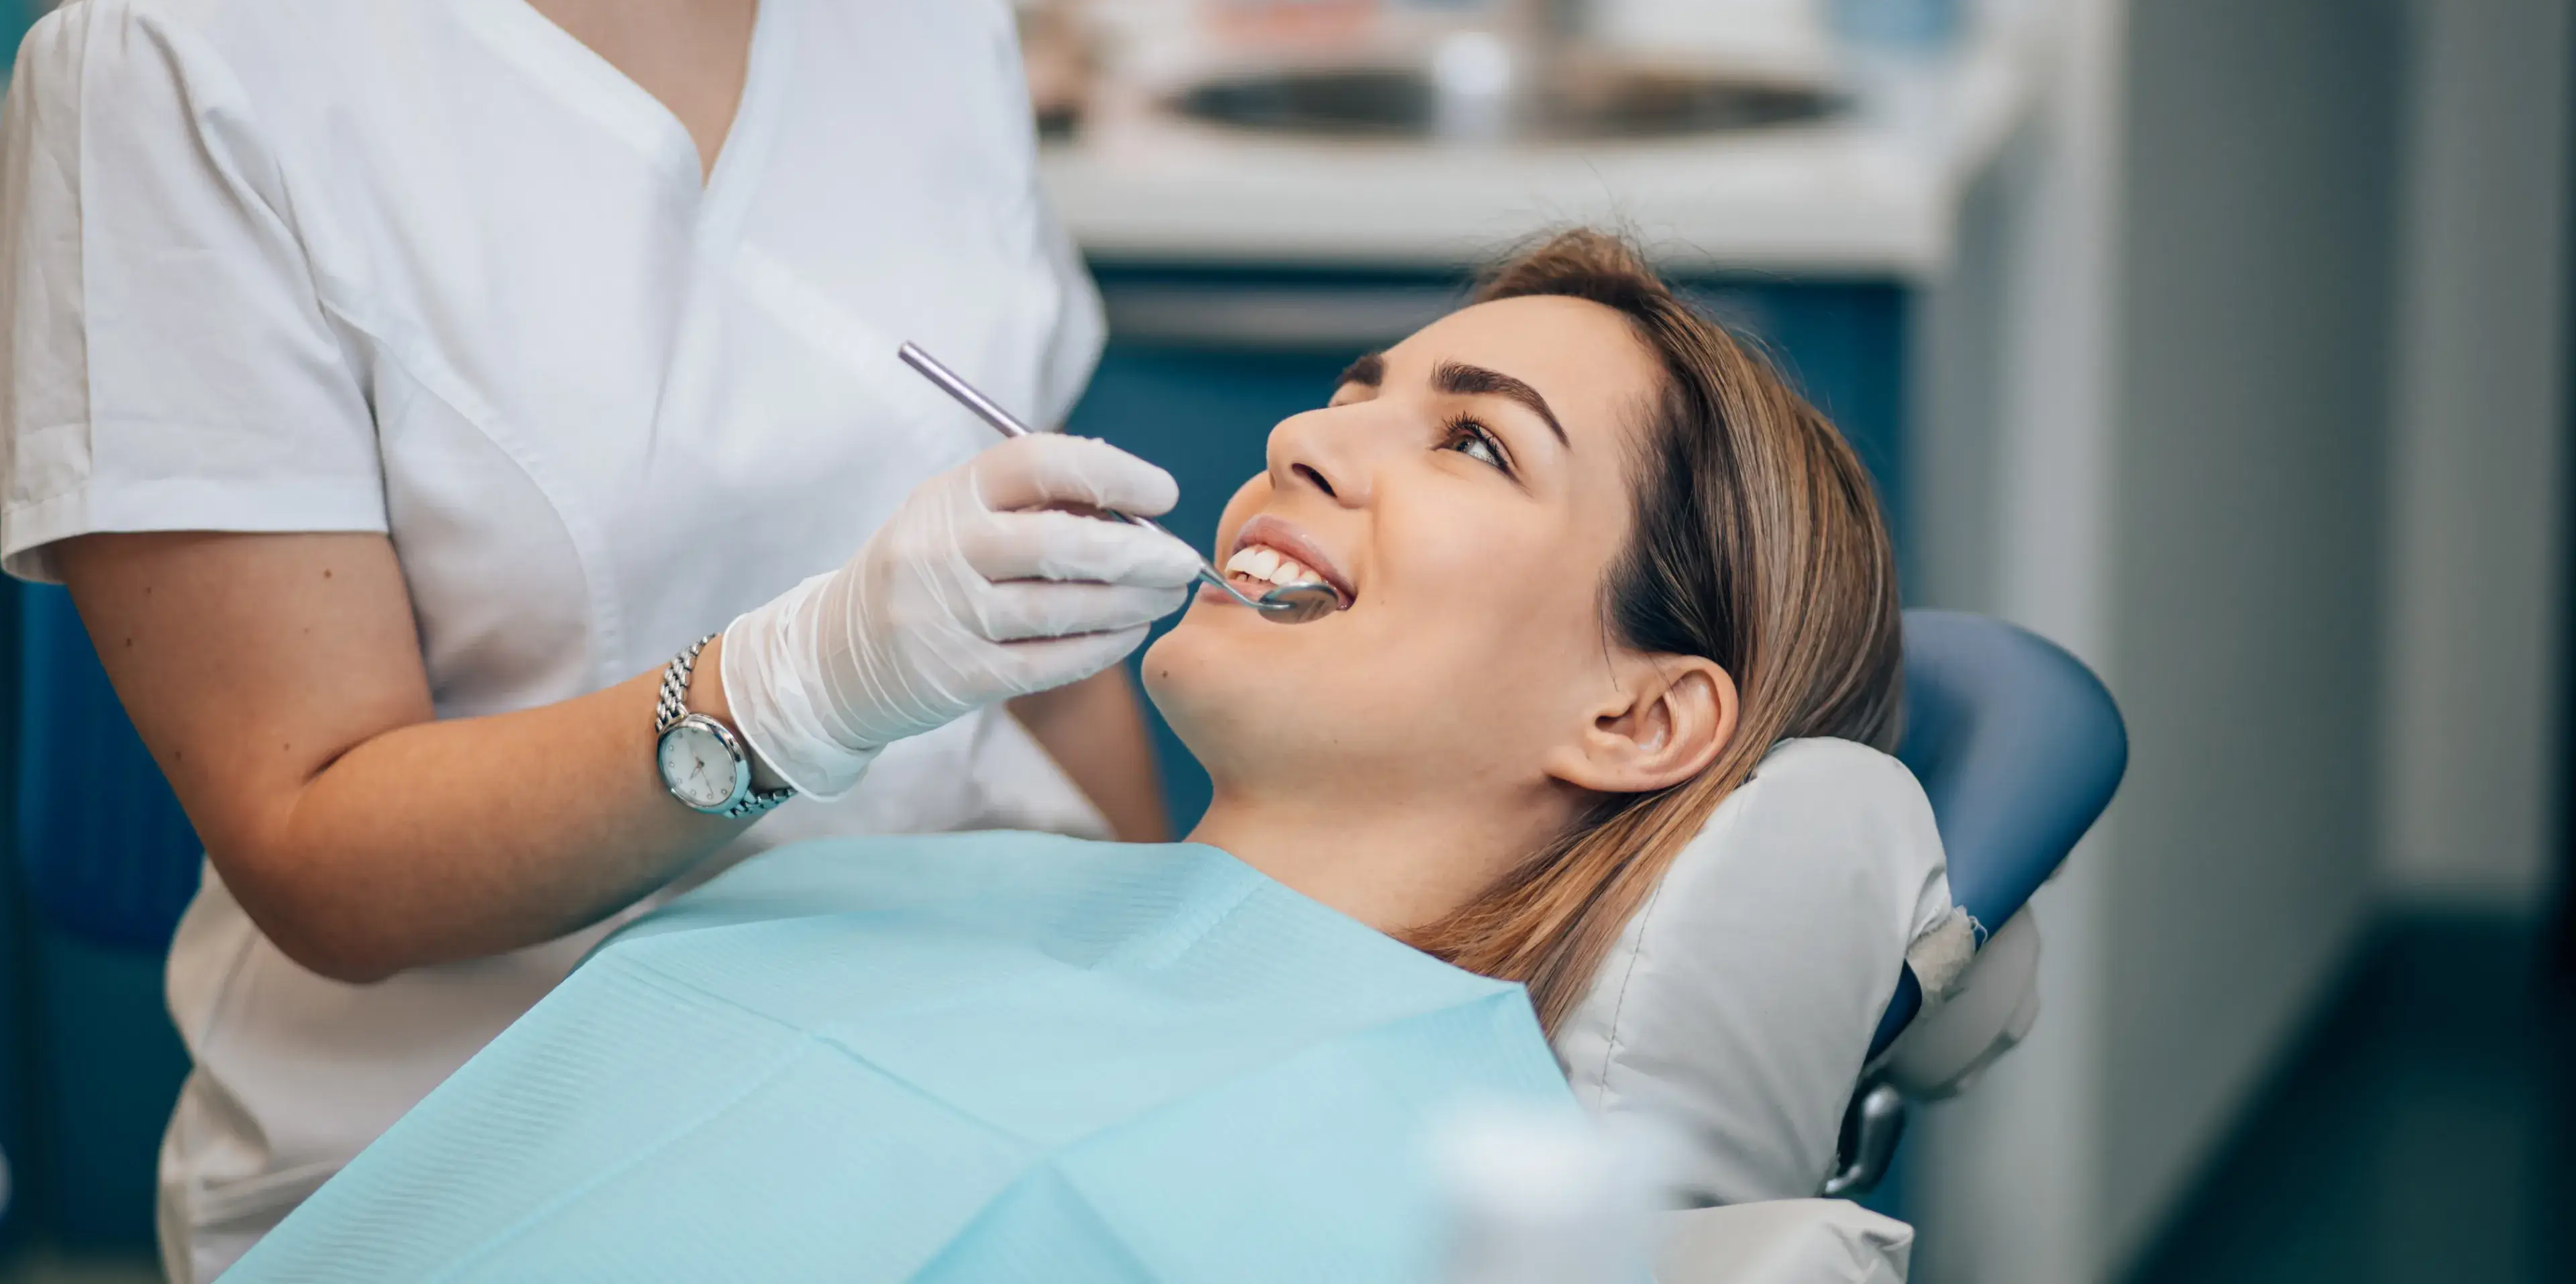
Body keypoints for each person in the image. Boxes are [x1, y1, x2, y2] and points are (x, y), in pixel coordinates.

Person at [229, 230, 1907, 1280]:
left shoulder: (1432, 1200)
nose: (1304, 440)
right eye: (1352, 388)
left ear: (1638, 717)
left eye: (1473, 442)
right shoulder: (856, 890)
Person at [0, 0, 1200, 1276]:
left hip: (959, 1071)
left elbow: (1049, 656)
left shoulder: (934, 25)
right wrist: (788, 697)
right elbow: (316, 852)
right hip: (490, 1146)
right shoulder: (182, 63)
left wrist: (1176, 1020)